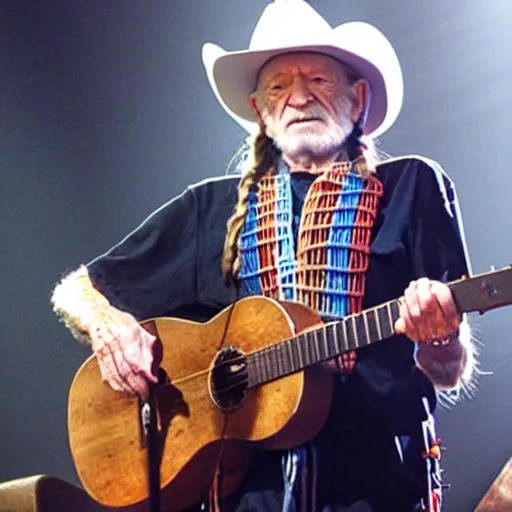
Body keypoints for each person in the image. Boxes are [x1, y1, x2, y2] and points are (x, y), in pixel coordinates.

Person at [52, 1, 477, 511]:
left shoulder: (412, 187)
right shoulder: (211, 207)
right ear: (260, 110)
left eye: (319, 79)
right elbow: (76, 288)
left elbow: (449, 370)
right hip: (246, 496)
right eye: (279, 86)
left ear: (357, 97)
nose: (299, 97)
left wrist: (442, 336)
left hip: (378, 488)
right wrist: (109, 327)